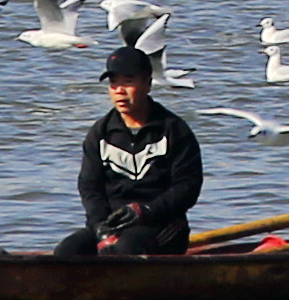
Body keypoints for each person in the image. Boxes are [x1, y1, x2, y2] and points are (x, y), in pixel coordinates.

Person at [62, 46, 203, 258]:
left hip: (162, 224)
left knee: (126, 250)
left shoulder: (174, 130)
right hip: (114, 225)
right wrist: (100, 227)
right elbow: (90, 187)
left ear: (147, 84)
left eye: (128, 82)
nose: (119, 90)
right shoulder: (100, 133)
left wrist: (145, 211)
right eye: (113, 83)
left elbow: (188, 187)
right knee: (67, 252)